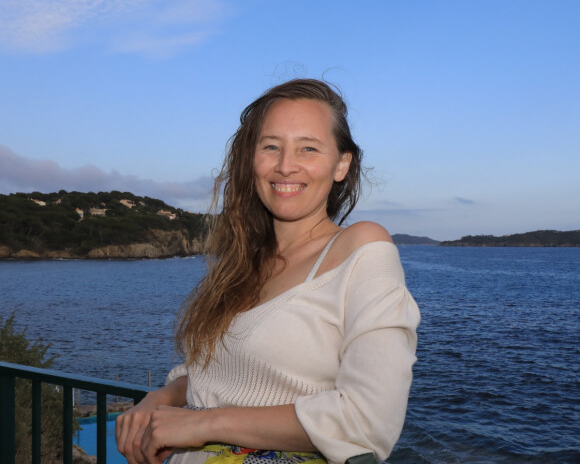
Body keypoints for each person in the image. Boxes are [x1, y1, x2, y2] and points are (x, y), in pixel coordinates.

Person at [116, 79, 420, 464]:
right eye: (271, 146)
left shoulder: (362, 247)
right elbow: (212, 374)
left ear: (341, 164)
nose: (285, 165)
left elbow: (367, 420)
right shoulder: (243, 263)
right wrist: (162, 397)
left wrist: (202, 424)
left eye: (308, 148)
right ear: (252, 159)